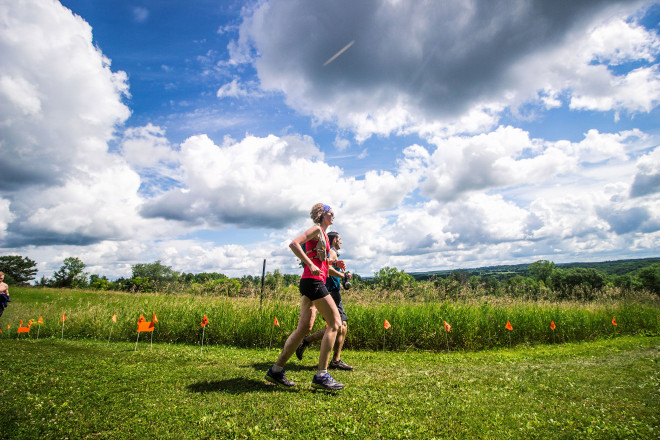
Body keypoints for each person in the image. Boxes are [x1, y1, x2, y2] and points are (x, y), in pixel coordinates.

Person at [265, 203, 346, 391]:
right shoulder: (317, 229)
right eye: (331, 213)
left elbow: (323, 266)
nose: (334, 216)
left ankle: (276, 370)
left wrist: (332, 263)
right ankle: (322, 375)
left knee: (304, 328)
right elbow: (294, 243)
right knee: (335, 324)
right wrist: (309, 263)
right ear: (322, 214)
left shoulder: (324, 236)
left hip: (311, 282)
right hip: (313, 282)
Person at [295, 231, 354, 370]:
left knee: (342, 326)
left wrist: (338, 281)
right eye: (339, 239)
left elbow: (327, 271)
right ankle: (308, 341)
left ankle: (335, 360)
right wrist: (343, 275)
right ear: (333, 240)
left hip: (332, 290)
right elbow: (328, 268)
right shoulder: (332, 252)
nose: (341, 242)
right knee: (337, 325)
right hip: (329, 293)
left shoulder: (332, 253)